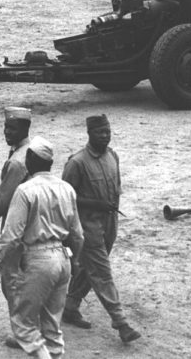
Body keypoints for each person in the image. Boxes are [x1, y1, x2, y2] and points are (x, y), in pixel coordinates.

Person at [0, 136, 84, 359]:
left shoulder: (26, 191)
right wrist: (75, 260)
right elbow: (78, 235)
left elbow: (11, 236)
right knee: (52, 326)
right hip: (63, 258)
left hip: (38, 260)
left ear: (32, 159)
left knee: (23, 325)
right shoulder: (67, 189)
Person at [62, 115, 141, 343]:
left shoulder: (112, 156)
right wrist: (94, 205)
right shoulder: (77, 163)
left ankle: (70, 305)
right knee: (103, 272)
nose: (105, 136)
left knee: (90, 268)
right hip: (88, 228)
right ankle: (121, 322)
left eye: (107, 131)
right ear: (89, 134)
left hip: (109, 225)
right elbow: (65, 197)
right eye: (100, 133)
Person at [0, 107, 32, 234]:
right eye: (6, 127)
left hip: (18, 220)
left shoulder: (16, 162)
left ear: (25, 130)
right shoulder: (31, 148)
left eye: (13, 129)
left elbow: (3, 198)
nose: (7, 132)